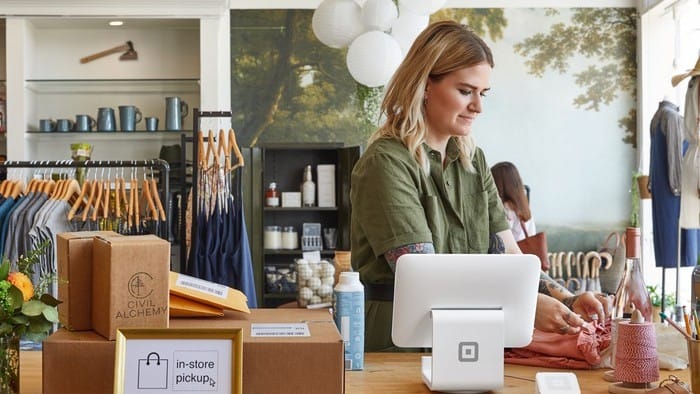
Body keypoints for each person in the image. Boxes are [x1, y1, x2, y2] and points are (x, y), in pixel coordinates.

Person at [350, 20, 612, 352]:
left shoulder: (473, 162)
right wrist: (526, 307)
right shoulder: (386, 163)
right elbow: (426, 280)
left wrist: (567, 298)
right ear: (425, 85)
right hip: (399, 346)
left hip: (469, 340)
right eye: (465, 91)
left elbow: (511, 257)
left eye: (482, 93)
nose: (478, 106)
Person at [491, 161, 535, 242]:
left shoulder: (504, 209)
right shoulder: (524, 207)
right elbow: (532, 235)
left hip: (510, 253)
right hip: (525, 253)